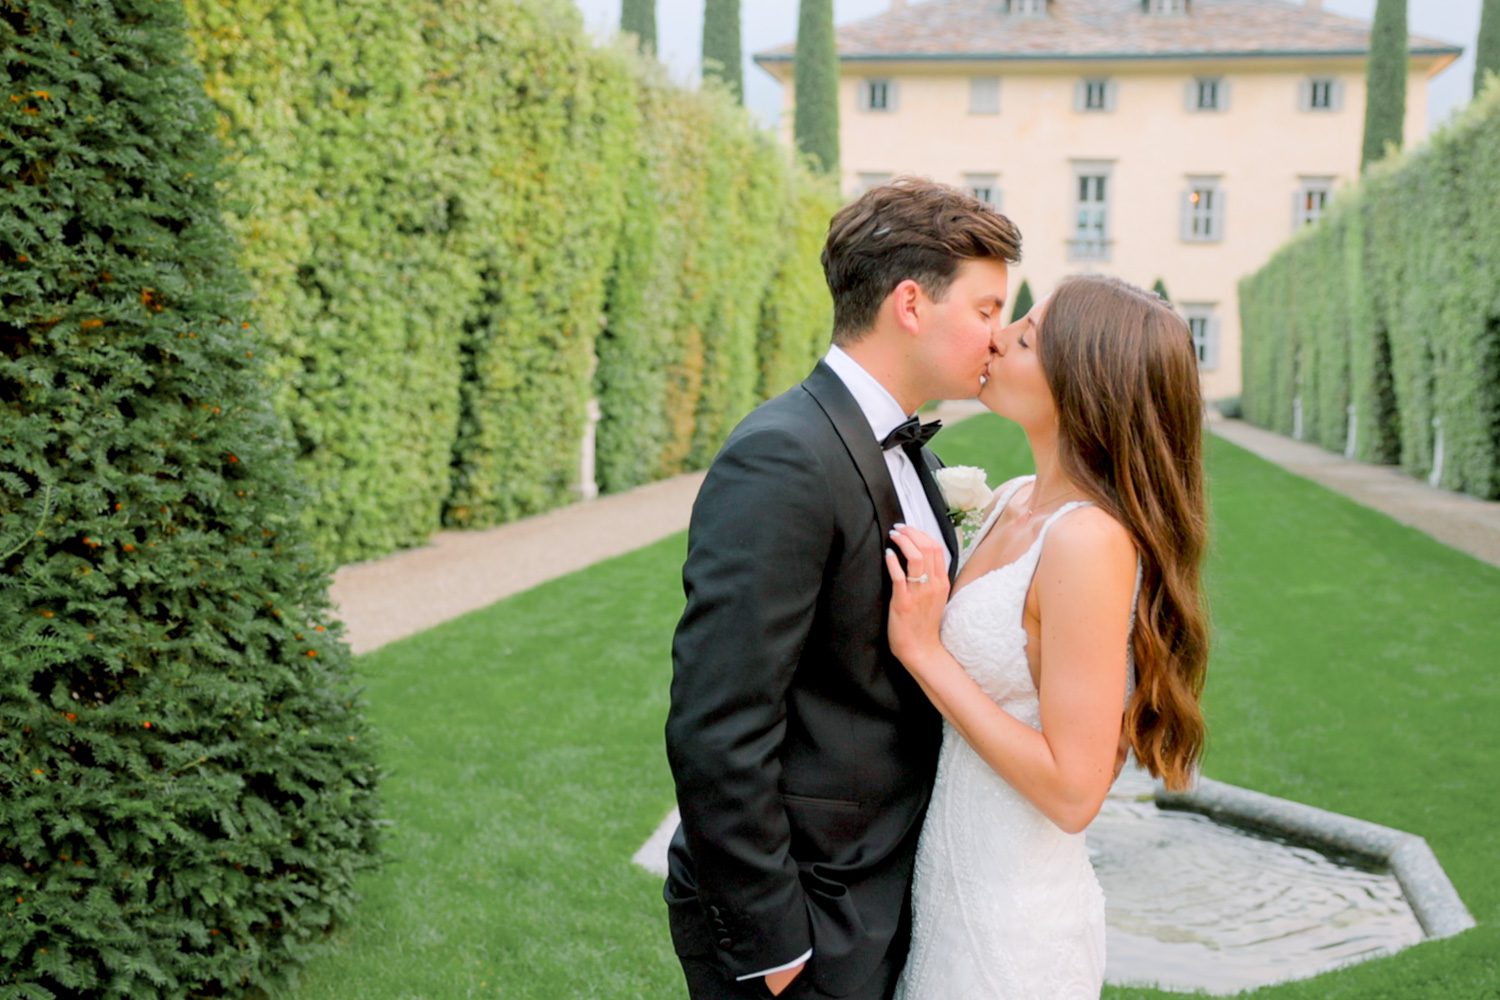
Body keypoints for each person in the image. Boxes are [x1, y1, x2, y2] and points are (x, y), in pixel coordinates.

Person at [663, 179, 1023, 1000]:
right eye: (986, 307)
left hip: (888, 891)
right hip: (810, 916)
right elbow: (719, 720)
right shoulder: (783, 456)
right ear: (910, 304)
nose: (997, 337)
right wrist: (774, 942)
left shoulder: (915, 456)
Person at [883, 274, 1210, 999]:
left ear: (1084, 388)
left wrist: (925, 652)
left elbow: (1072, 791)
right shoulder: (1010, 501)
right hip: (948, 886)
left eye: (1025, 336)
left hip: (1012, 933)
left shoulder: (1088, 542)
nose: (997, 336)